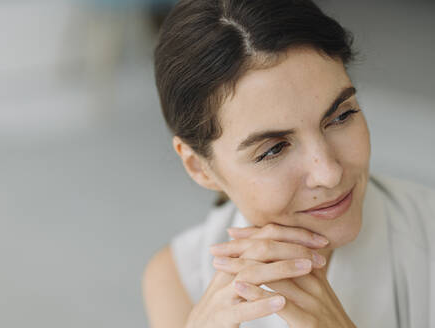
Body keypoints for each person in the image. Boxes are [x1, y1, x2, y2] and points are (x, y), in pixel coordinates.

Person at [142, 0, 435, 327]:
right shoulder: (180, 280)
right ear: (199, 167)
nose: (329, 172)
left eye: (341, 116)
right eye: (273, 150)